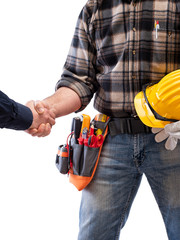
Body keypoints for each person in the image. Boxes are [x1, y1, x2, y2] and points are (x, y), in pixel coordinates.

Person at [26, 0, 180, 239]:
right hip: (109, 140)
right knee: (93, 235)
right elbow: (78, 80)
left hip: (172, 137)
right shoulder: (95, 8)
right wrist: (46, 108)